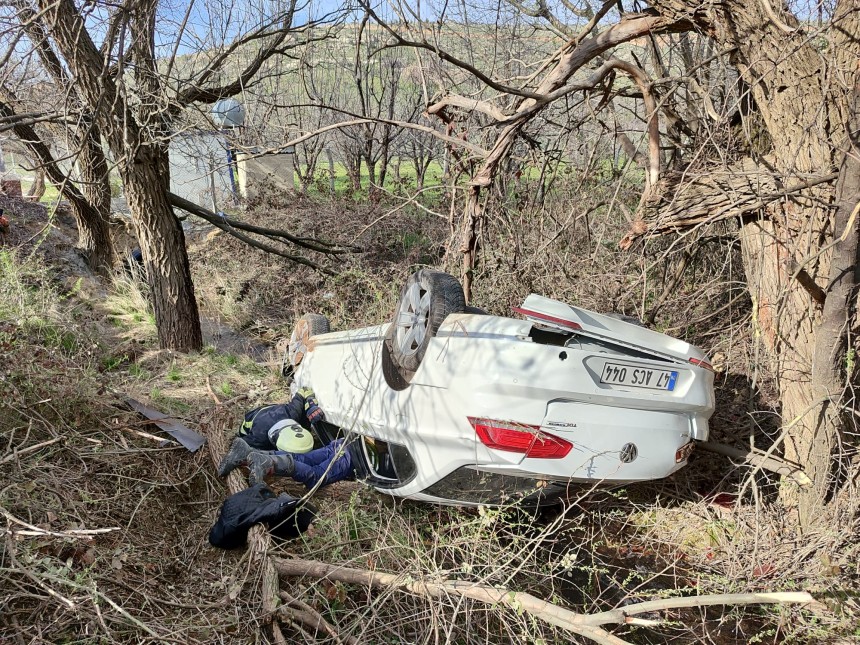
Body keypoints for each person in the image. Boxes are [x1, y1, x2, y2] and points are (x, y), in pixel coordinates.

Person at [218, 387, 357, 489]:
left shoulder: (293, 412)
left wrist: (310, 403)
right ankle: (270, 461)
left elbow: (304, 390)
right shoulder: (259, 436)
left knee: (305, 458)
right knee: (315, 476)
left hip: (344, 442)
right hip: (358, 453)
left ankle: (253, 455)